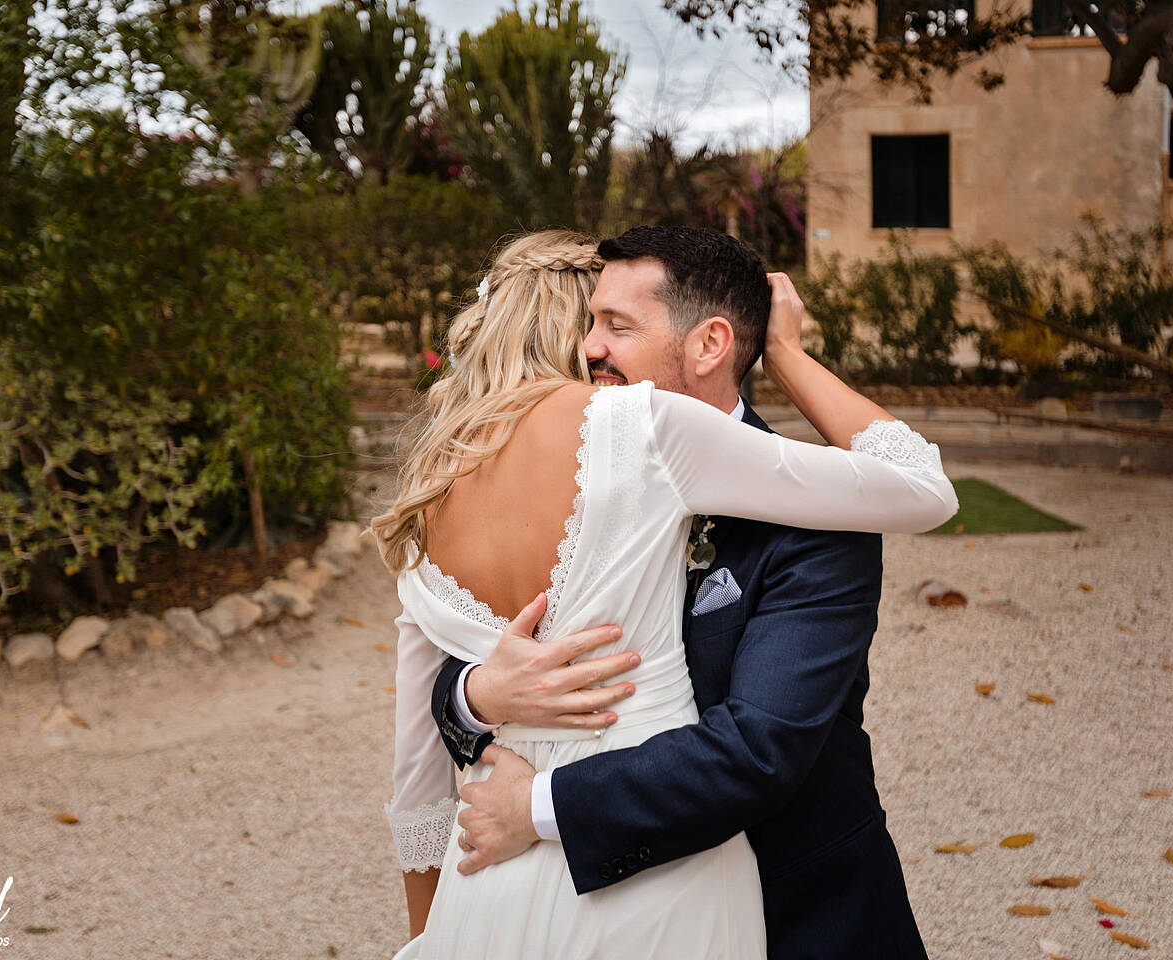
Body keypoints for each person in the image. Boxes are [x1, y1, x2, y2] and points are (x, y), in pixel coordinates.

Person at [371, 226, 956, 960]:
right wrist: (479, 694)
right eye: (588, 322)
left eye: (616, 326)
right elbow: (460, 672)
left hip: (802, 911)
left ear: (710, 344)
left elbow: (757, 748)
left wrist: (788, 356)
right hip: (594, 902)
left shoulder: (821, 515)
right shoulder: (595, 459)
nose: (589, 348)